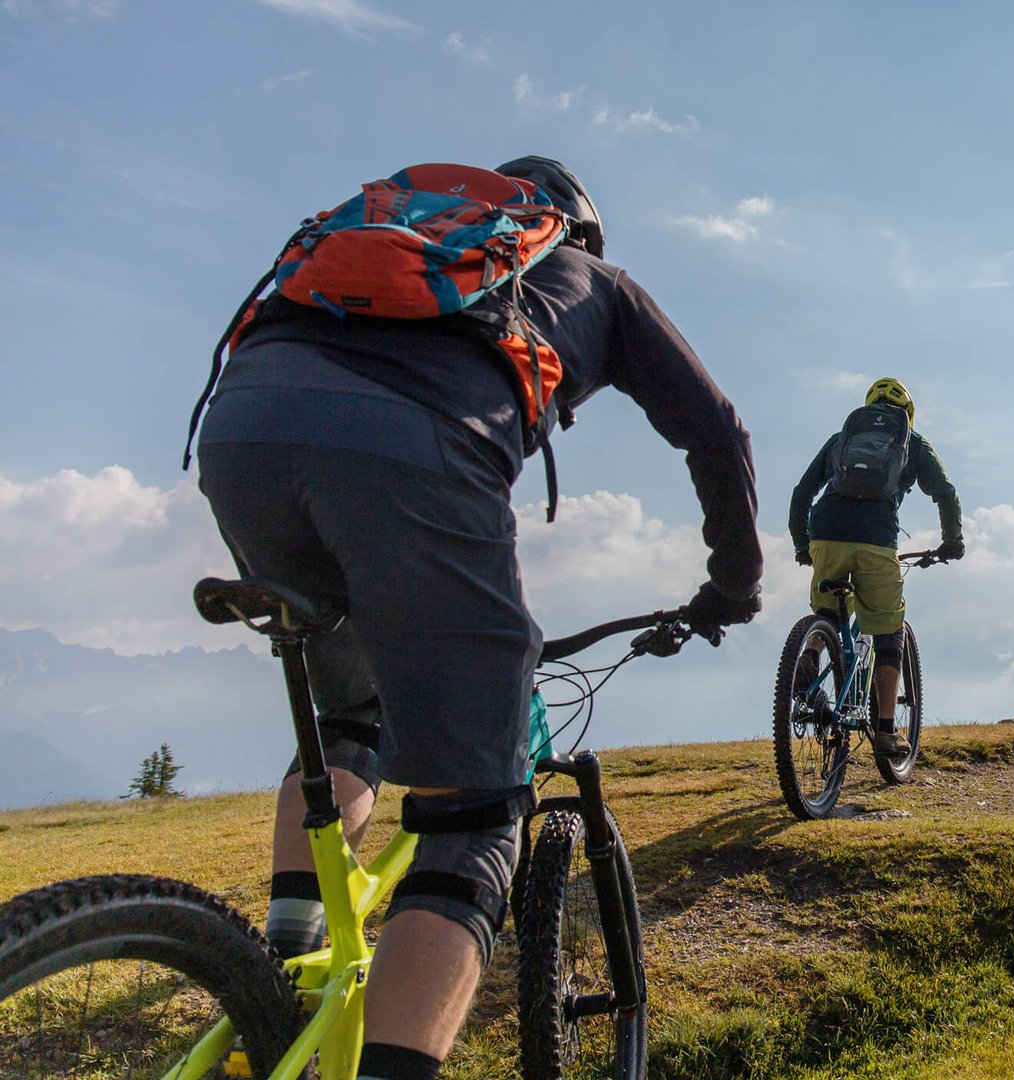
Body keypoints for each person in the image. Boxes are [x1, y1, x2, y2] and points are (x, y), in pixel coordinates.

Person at [191, 157, 762, 1080]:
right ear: (578, 231)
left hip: (243, 426)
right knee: (474, 818)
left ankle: (280, 963)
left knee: (353, 716)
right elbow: (717, 429)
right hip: (413, 449)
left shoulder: (405, 235)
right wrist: (734, 584)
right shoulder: (596, 280)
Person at [788, 378, 963, 755]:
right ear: (908, 414)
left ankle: (812, 650)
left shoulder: (841, 439)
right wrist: (953, 541)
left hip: (826, 531)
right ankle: (885, 730)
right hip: (876, 539)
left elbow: (801, 494)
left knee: (828, 610)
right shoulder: (912, 442)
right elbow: (945, 493)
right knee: (888, 630)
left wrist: (803, 546)